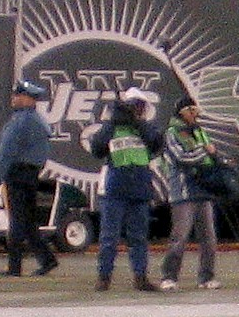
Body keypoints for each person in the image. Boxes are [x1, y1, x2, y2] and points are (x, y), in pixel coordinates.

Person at [86, 88, 162, 292]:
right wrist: (112, 122)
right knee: (109, 237)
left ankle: (140, 277)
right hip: (116, 188)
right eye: (135, 106)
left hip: (138, 188)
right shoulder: (112, 128)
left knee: (138, 237)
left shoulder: (145, 128)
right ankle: (104, 277)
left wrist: (138, 123)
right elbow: (97, 148)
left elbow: (156, 144)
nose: (138, 110)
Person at [0, 79, 57, 278]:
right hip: (31, 175)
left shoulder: (19, 122)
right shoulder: (39, 121)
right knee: (28, 221)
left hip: (17, 174)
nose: (14, 99)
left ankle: (14, 266)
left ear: (28, 98)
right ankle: (46, 259)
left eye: (18, 95)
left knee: (17, 221)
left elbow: (6, 153)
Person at [159, 95, 222, 290]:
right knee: (180, 236)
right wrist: (206, 151)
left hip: (203, 190)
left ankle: (206, 277)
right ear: (182, 112)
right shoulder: (172, 133)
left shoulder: (199, 131)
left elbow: (211, 156)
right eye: (191, 110)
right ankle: (169, 277)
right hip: (183, 191)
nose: (195, 115)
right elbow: (181, 157)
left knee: (209, 237)